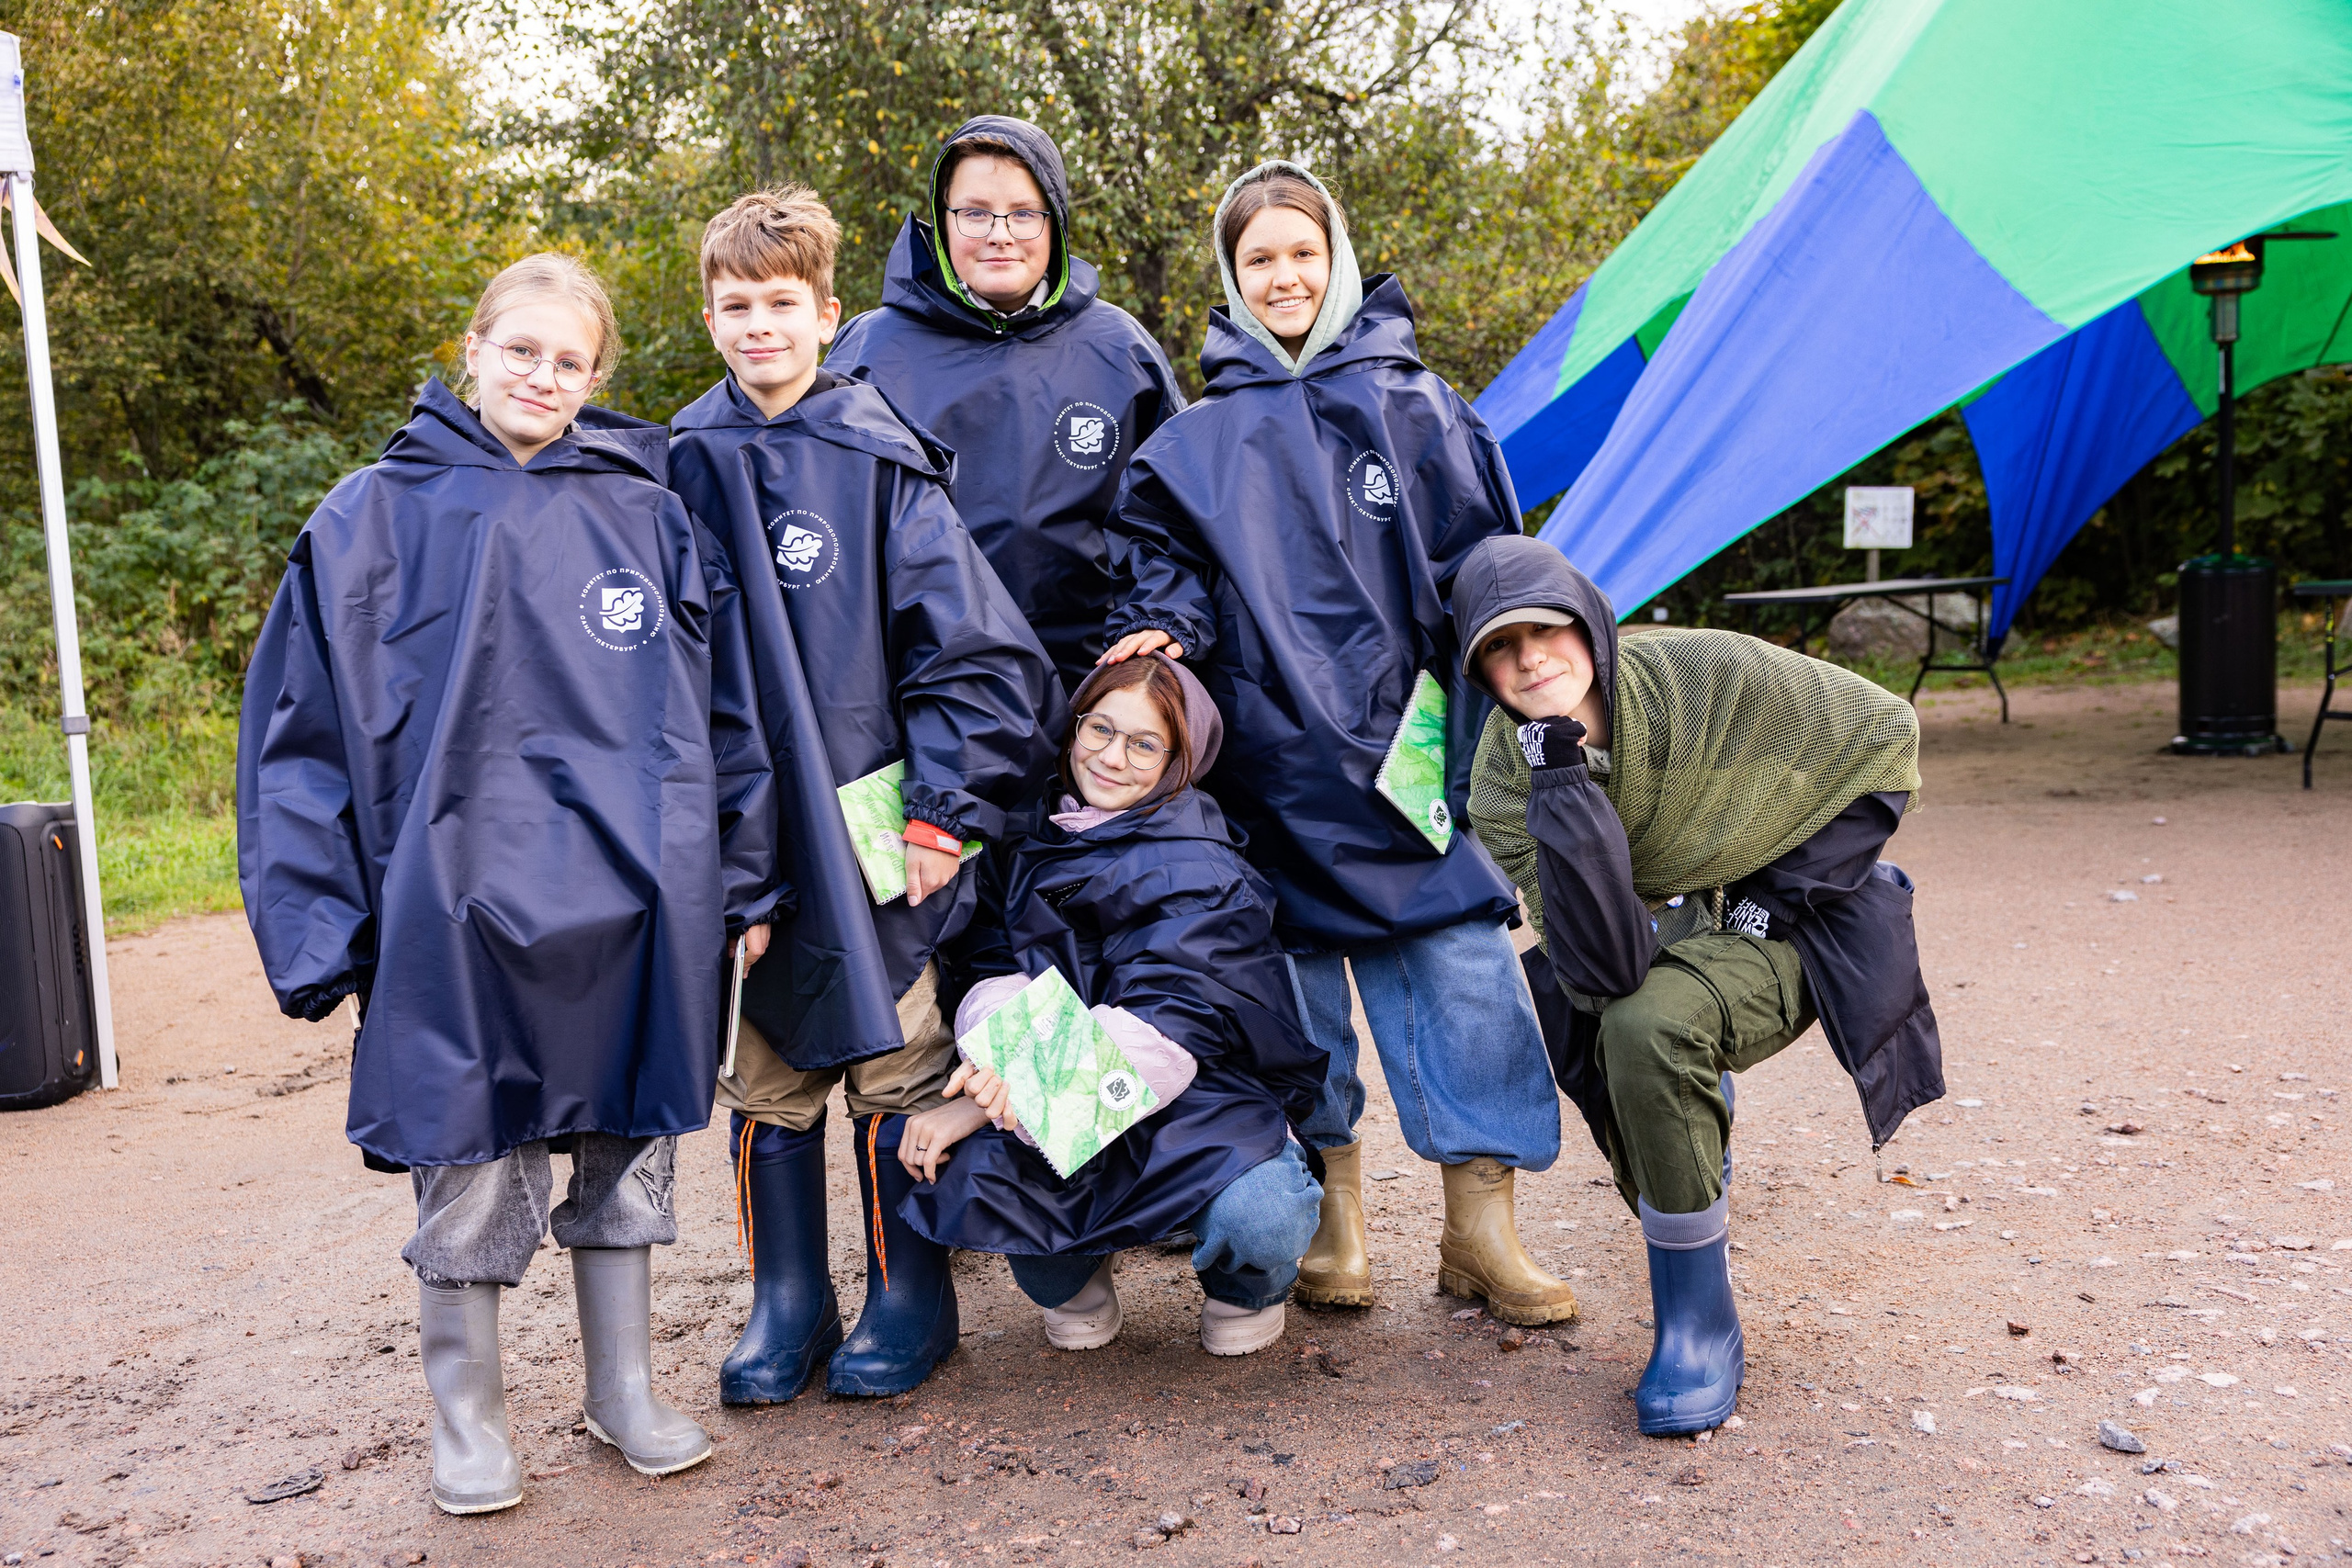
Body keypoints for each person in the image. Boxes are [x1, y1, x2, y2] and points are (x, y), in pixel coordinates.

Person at [238, 253, 779, 1515]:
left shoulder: (648, 515)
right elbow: (295, 741)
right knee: (468, 1150)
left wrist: (741, 881)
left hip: (635, 903)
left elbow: (730, 714)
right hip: (452, 907)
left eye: (571, 358)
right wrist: (321, 927)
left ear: (599, 377)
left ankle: (623, 1386)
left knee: (628, 1141)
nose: (544, 374)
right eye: (522, 348)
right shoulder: (368, 518)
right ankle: (468, 1416)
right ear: (473, 347)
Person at [1098, 162, 1573, 1325]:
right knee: (1297, 1005)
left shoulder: (1423, 406)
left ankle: (1481, 1225)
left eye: (1301, 252)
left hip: (1407, 755)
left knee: (1464, 981)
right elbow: (1172, 589)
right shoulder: (1190, 444)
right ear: (1232, 277)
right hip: (1270, 773)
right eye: (1258, 259)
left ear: (1338, 257)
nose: (1284, 277)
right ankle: (1333, 1216)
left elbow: (1485, 576)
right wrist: (1160, 631)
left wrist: (1492, 717)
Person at [667, 186, 1065, 1404]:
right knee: (766, 1069)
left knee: (895, 1054)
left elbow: (978, 655)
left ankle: (910, 1290)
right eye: (735, 306)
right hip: (737, 825)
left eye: (782, 304)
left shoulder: (879, 460)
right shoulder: (676, 461)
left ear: (829, 314)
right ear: (709, 315)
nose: (759, 327)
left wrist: (945, 810)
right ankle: (787, 1298)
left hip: (875, 817)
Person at [1454, 532, 1942, 1436]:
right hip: (1643, 945)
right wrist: (1561, 784)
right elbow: (1598, 967)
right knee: (1605, 1022)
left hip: (1797, 922)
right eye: (1497, 647)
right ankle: (1684, 1141)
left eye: (1545, 631)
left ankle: (1698, 1329)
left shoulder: (1698, 671)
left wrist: (1777, 892)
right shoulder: (1501, 778)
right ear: (1477, 671)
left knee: (1649, 1031)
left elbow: (1888, 731)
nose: (1528, 658)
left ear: (1589, 628)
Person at [894, 655, 1329, 1355]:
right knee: (983, 1178)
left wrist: (987, 1096)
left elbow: (1168, 1026)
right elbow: (990, 966)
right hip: (1061, 1079)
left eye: (1144, 743)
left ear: (1179, 760)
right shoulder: (1030, 834)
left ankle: (1246, 1286)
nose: (1112, 756)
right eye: (1101, 728)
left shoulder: (1205, 866)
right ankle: (1076, 1282)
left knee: (1263, 1217)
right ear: (1075, 727)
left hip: (1198, 1102)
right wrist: (1001, 1073)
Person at [828, 116, 1185, 699]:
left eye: (1024, 212)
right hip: (920, 691)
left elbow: (1177, 521)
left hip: (1091, 693)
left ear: (1056, 223)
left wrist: (1155, 630)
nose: (1000, 233)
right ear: (942, 223)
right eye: (974, 212)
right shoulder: (871, 351)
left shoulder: (1121, 349)